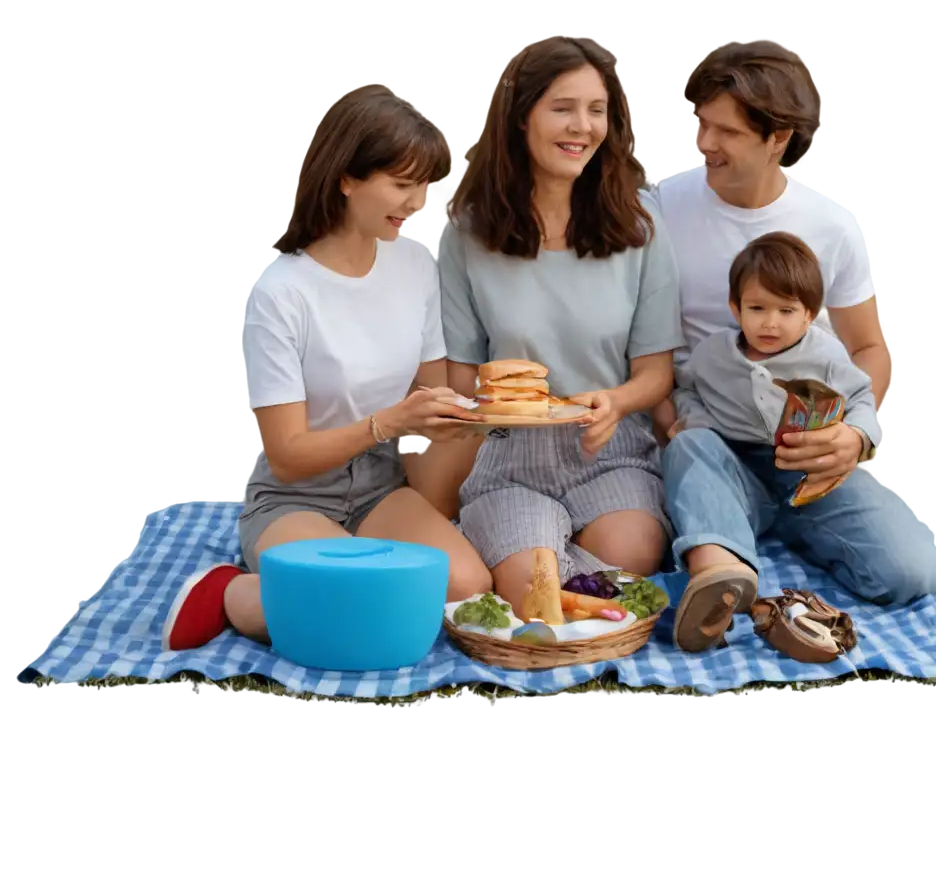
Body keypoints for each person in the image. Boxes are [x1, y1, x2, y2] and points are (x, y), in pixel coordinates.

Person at [162, 83, 493, 653]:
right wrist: (388, 423)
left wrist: (486, 414)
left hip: (380, 487)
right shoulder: (280, 291)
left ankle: (284, 591)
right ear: (347, 178)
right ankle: (227, 592)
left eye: (423, 186)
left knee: (467, 587)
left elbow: (431, 393)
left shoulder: (415, 264)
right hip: (295, 497)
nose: (415, 203)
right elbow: (287, 454)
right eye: (401, 184)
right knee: (358, 596)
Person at [645, 43, 936, 651]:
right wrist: (671, 421)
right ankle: (723, 572)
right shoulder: (662, 208)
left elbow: (869, 350)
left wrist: (852, 439)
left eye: (724, 131)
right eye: (701, 123)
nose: (704, 143)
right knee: (692, 447)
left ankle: (774, 553)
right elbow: (642, 341)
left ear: (776, 137)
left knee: (911, 574)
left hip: (806, 456)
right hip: (710, 442)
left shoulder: (833, 225)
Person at [434, 34, 684, 619]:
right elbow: (466, 377)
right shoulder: (466, 237)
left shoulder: (640, 224)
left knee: (634, 551)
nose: (583, 127)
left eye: (597, 111)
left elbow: (656, 373)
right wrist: (478, 409)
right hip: (511, 457)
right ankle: (543, 570)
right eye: (563, 107)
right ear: (521, 117)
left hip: (611, 449)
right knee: (534, 588)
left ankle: (556, 572)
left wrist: (616, 402)